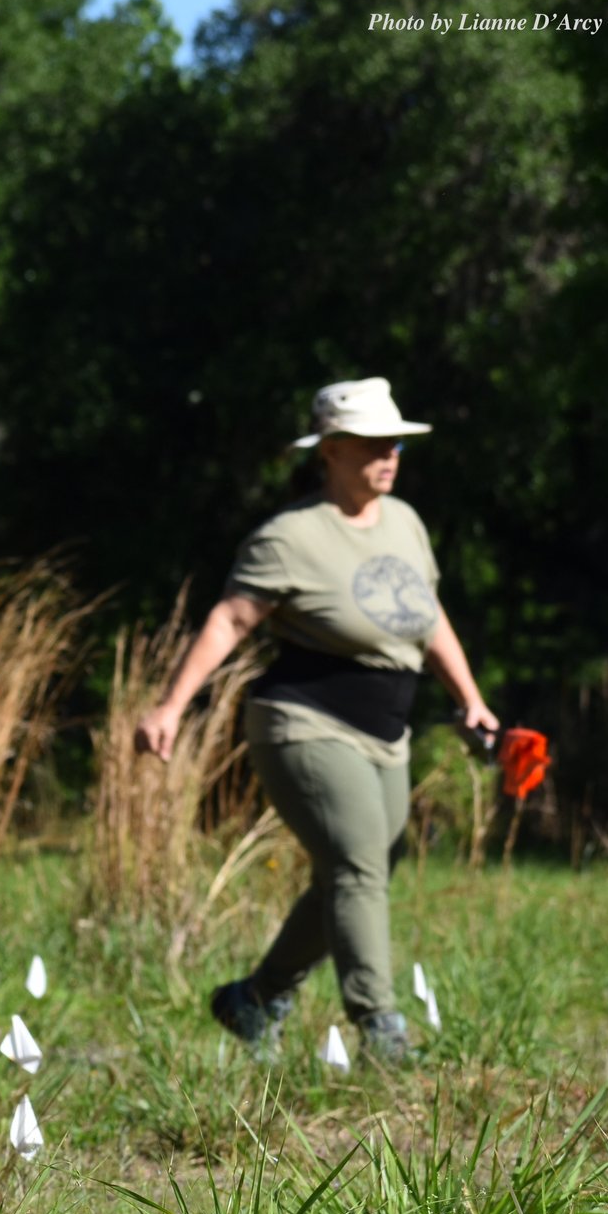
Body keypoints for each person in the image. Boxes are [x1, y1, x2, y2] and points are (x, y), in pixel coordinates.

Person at [134, 378, 497, 1062]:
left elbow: (429, 617)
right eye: (371, 444)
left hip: (388, 729)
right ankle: (380, 1027)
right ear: (329, 451)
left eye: (395, 443)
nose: (389, 455)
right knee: (359, 863)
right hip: (303, 721)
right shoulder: (292, 536)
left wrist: (470, 697)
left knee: (358, 873)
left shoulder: (406, 523)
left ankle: (255, 998)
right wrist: (171, 706)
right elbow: (230, 619)